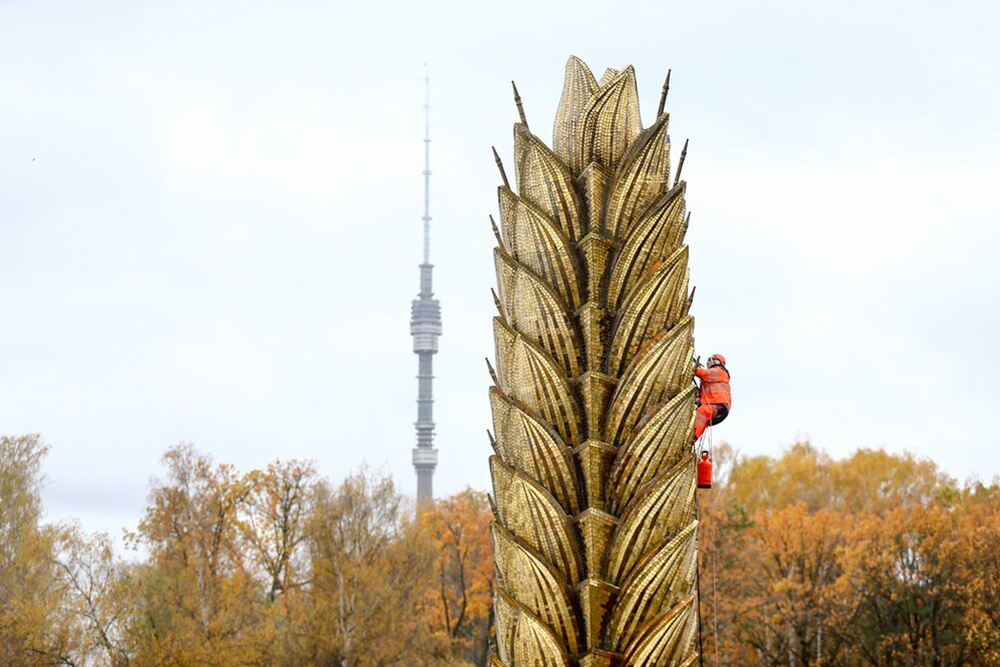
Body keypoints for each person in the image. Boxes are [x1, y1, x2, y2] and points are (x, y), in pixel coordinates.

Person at [694, 354, 731, 441]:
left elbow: (702, 373)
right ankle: (690, 442)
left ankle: (691, 436)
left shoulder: (720, 372)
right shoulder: (709, 380)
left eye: (709, 360)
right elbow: (702, 397)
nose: (707, 362)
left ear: (716, 361)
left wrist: (693, 367)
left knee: (703, 411)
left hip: (719, 406)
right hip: (715, 408)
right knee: (700, 418)